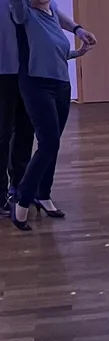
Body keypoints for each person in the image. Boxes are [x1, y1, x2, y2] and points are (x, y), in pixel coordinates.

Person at [1, 0, 94, 217]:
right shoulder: (22, 8)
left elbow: (55, 20)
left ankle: (30, 191)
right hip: (11, 73)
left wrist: (78, 31)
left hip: (43, 77)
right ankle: (9, 197)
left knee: (29, 134)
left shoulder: (43, 6)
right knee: (5, 134)